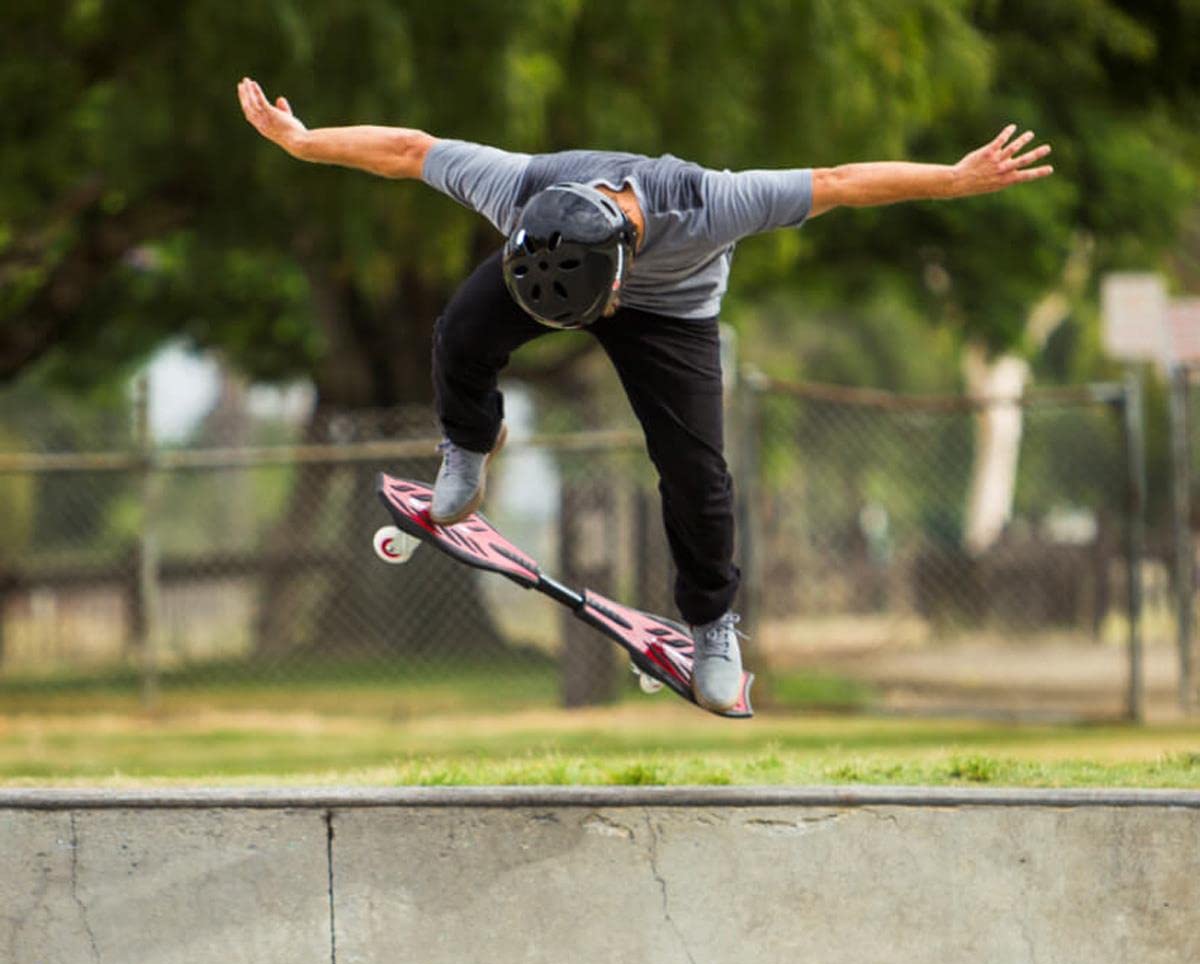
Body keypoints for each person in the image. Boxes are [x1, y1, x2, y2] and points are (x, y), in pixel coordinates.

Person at [237, 77, 1052, 712]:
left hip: (675, 316)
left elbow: (838, 181)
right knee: (459, 331)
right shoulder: (515, 186)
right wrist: (305, 142)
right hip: (544, 269)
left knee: (698, 475)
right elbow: (410, 150)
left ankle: (712, 629)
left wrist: (951, 179)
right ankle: (469, 443)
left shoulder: (715, 202)